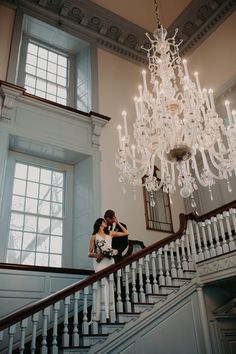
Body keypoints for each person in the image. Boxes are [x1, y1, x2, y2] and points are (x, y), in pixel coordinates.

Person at [88, 217, 128, 321]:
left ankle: (108, 313)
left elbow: (126, 232)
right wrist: (97, 254)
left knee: (109, 285)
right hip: (100, 263)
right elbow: (89, 253)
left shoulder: (110, 233)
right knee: (102, 284)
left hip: (109, 261)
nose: (106, 222)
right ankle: (98, 314)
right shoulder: (94, 236)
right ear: (100, 223)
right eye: (104, 221)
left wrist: (118, 222)